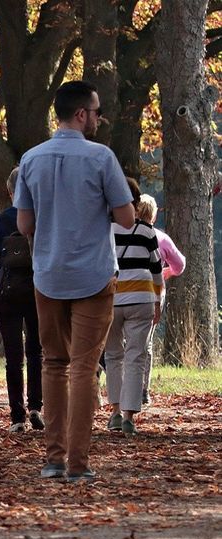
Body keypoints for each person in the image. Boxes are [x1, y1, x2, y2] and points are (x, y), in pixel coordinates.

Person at [15, 79, 135, 482]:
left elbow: (24, 224)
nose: (99, 118)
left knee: (53, 363)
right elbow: (127, 218)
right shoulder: (102, 158)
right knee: (84, 366)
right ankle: (78, 464)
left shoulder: (31, 159)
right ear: (82, 114)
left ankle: (53, 459)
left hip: (48, 274)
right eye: (97, 111)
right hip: (94, 275)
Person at [0, 168, 44, 433]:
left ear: (10, 191)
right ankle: (36, 406)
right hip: (37, 292)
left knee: (14, 356)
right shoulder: (40, 219)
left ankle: (17, 417)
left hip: (7, 294)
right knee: (36, 351)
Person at [105, 178, 164, 435]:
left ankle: (116, 412)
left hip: (110, 299)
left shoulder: (104, 230)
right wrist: (157, 301)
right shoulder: (147, 232)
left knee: (112, 356)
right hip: (141, 298)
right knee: (136, 356)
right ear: (136, 203)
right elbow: (157, 271)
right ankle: (130, 416)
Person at [136, 194, 186, 404]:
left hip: (125, 292)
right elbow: (180, 264)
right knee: (146, 342)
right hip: (154, 293)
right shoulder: (162, 239)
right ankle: (143, 391)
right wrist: (168, 272)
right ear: (154, 216)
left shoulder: (124, 234)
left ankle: (122, 388)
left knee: (122, 341)